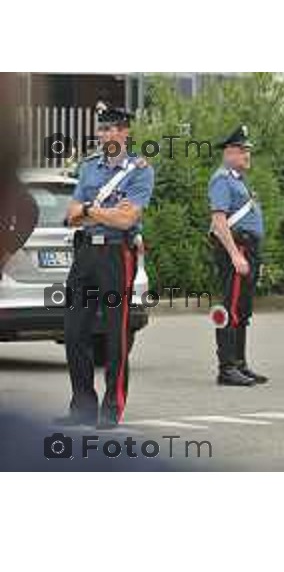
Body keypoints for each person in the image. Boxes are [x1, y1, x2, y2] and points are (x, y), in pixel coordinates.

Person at [57, 107, 155, 429]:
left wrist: (91, 212)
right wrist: (99, 210)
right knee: (74, 333)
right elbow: (71, 214)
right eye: (104, 130)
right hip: (85, 254)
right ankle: (82, 405)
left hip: (116, 256)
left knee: (116, 335)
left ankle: (112, 406)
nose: (108, 135)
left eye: (115, 129)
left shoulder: (140, 170)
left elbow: (127, 219)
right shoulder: (88, 168)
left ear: (126, 133)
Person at [208, 124, 268, 386]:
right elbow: (219, 221)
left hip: (248, 248)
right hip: (237, 247)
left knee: (242, 308)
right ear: (230, 152)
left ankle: (240, 364)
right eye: (243, 150)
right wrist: (235, 255)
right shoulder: (222, 179)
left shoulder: (238, 180)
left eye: (248, 151)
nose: (247, 155)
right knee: (230, 306)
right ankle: (226, 367)